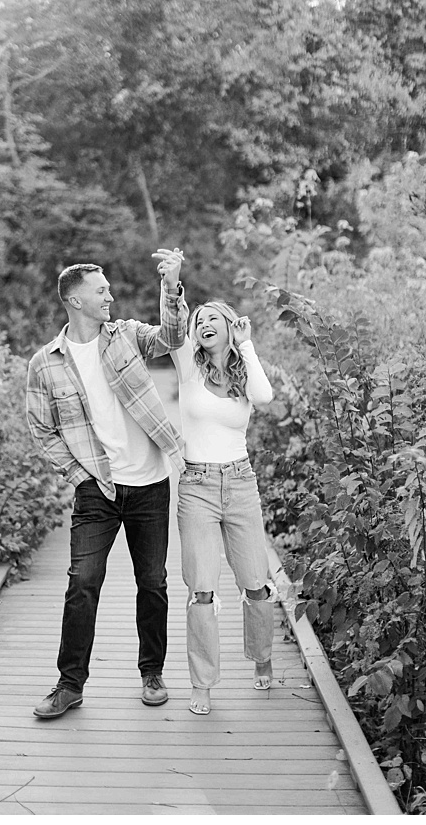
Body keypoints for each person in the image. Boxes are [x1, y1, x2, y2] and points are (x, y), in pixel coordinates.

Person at [25, 248, 188, 718]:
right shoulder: (46, 363)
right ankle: (69, 684)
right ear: (75, 301)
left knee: (152, 583)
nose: (110, 296)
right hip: (97, 488)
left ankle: (151, 672)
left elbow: (173, 337)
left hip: (150, 485)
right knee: (83, 583)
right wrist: (78, 476)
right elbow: (42, 430)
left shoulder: (128, 336)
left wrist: (172, 286)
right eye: (101, 291)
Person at [170, 299, 276, 715]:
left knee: (256, 583)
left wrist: (247, 345)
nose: (204, 324)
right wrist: (173, 287)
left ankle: (262, 657)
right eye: (200, 320)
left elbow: (264, 397)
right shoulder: (187, 367)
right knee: (201, 589)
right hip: (196, 485)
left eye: (213, 318)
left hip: (240, 483)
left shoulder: (244, 371)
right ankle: (202, 683)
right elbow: (173, 320)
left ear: (230, 326)